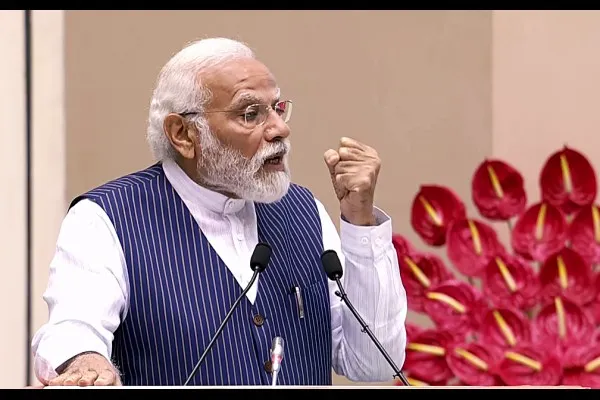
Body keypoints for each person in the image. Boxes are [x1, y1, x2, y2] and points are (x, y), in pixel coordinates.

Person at [30, 37, 408, 387]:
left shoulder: (304, 211)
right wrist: (85, 363)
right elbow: (73, 329)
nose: (279, 129)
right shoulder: (107, 218)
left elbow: (375, 363)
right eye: (250, 113)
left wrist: (360, 221)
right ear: (183, 134)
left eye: (277, 109)